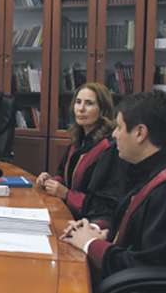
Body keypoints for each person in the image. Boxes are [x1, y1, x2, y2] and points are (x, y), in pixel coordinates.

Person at [60, 89, 166, 282]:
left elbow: (148, 268)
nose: (114, 134)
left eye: (119, 127)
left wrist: (90, 243)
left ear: (140, 133)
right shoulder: (157, 167)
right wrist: (104, 234)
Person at [35, 83, 120, 219]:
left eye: (89, 103)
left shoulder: (108, 148)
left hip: (91, 222)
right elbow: (65, 175)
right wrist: (51, 182)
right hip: (70, 213)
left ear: (103, 110)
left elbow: (105, 205)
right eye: (78, 102)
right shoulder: (79, 140)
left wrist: (67, 194)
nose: (81, 109)